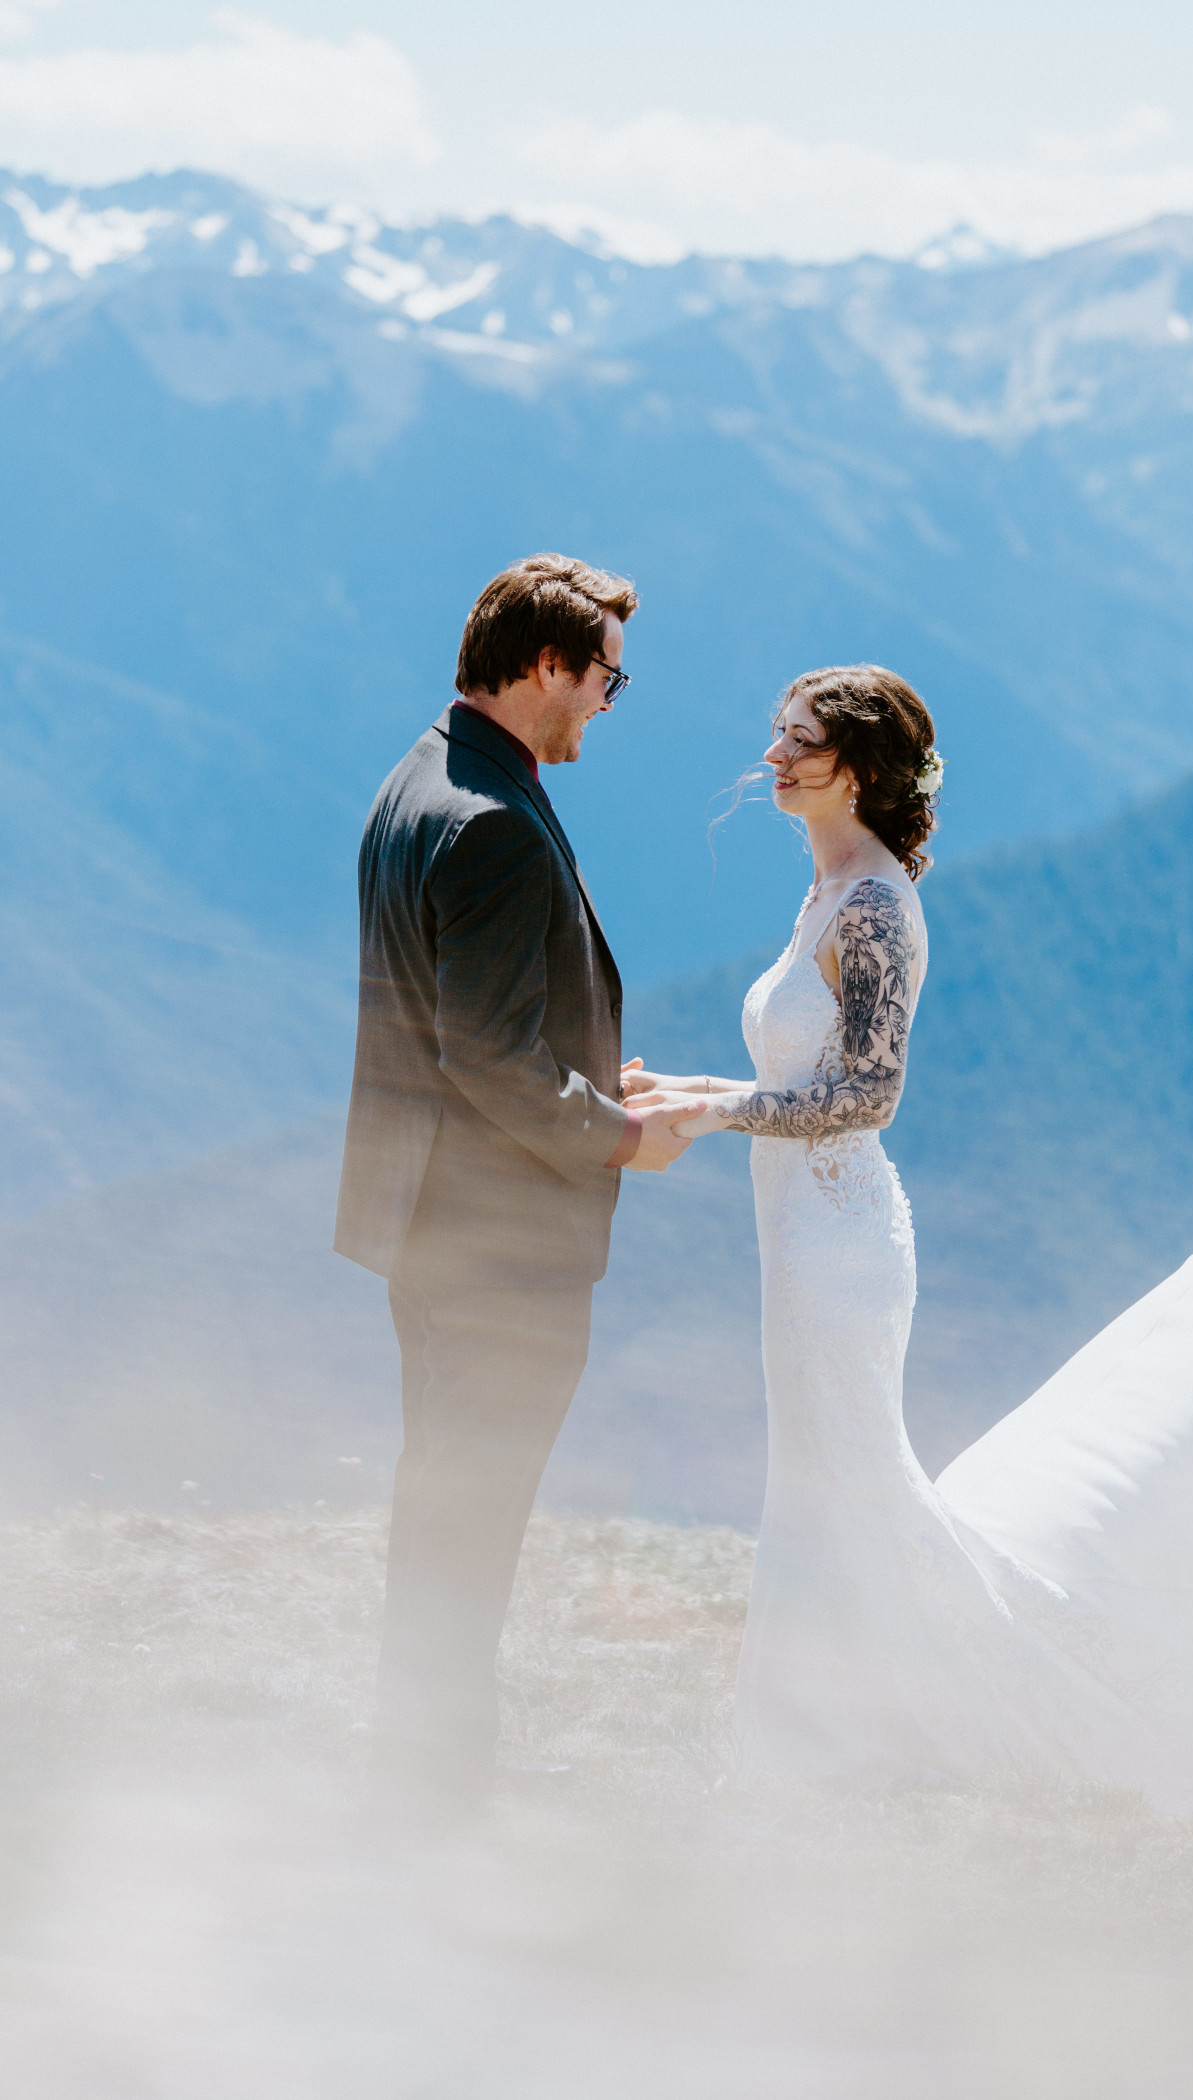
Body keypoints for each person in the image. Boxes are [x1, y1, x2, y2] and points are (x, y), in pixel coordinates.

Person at [630, 664, 1193, 1843]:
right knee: (819, 1485)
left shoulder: (877, 906)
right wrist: (683, 1090)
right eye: (776, 736)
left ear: (864, 770)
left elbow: (867, 1095)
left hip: (839, 1250)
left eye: (800, 743)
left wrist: (714, 1114)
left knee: (843, 1485)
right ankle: (831, 1724)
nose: (772, 759)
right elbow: (798, 1069)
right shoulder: (827, 890)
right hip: (799, 1238)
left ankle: (843, 1736)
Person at [334, 552, 691, 1812]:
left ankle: (417, 1768)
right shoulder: (491, 822)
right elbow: (485, 1053)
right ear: (546, 665)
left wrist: (595, 1074)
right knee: (470, 1515)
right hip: (497, 1246)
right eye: (604, 675)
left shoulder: (416, 780)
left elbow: (463, 1018)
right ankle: (436, 1793)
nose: (606, 699)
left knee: (440, 1496)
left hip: (424, 1221)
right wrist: (615, 1137)